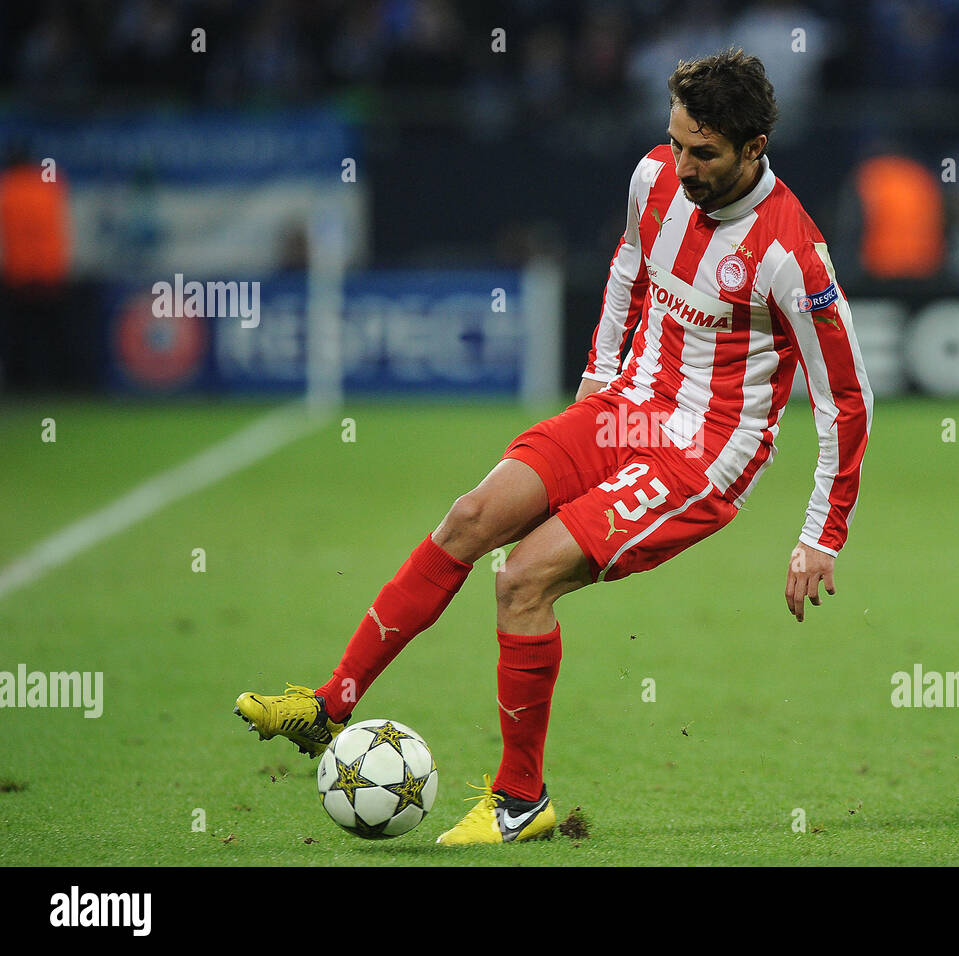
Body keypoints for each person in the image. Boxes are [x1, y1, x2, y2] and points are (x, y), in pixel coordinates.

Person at [234, 48, 873, 846]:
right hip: (621, 411)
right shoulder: (652, 180)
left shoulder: (792, 253)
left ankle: (519, 800)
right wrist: (597, 387)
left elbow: (846, 398)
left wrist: (821, 533)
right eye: (674, 141)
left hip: (706, 451)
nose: (681, 163)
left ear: (754, 149)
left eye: (701, 152)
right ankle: (328, 707)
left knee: (523, 577)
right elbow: (627, 275)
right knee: (469, 519)